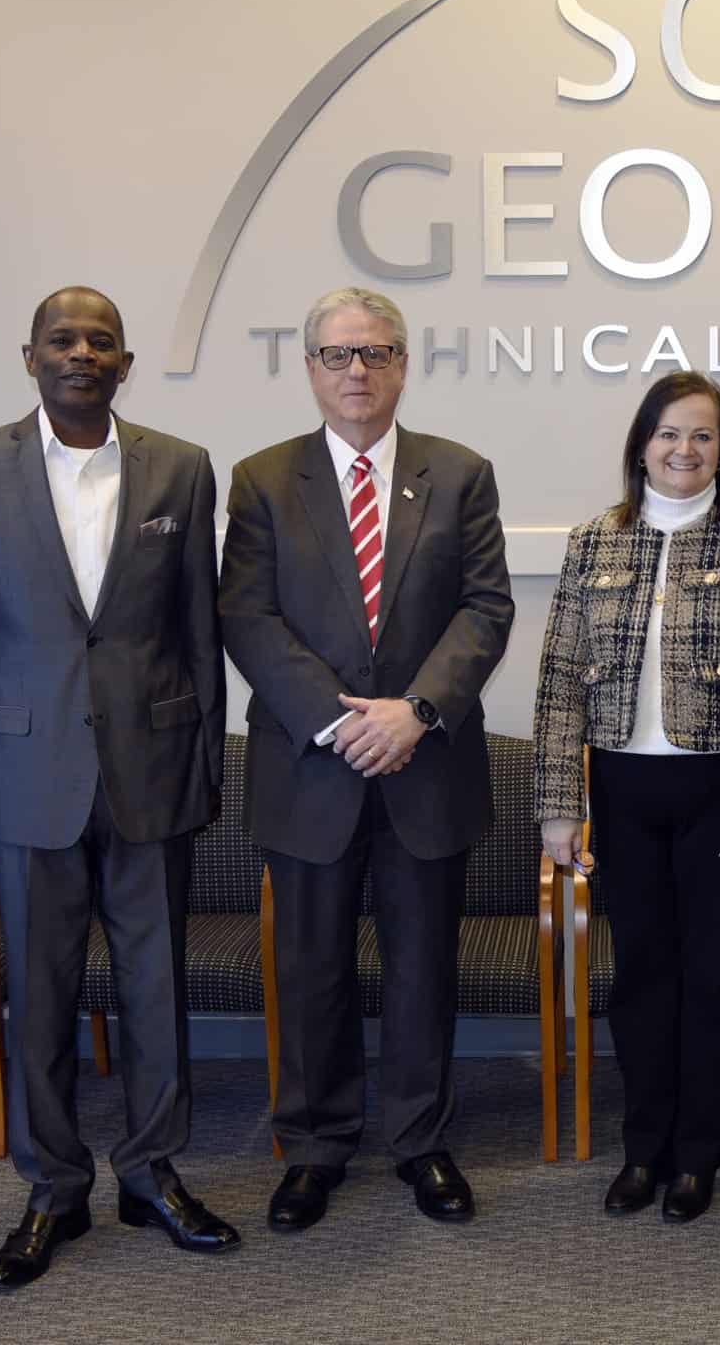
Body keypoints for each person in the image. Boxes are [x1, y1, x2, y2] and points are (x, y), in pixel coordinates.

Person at [0, 287, 238, 1289]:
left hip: (151, 772)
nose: (82, 351)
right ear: (31, 355)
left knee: (156, 990)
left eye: (101, 339)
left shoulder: (180, 467)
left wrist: (206, 760)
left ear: (126, 362)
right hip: (25, 776)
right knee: (42, 993)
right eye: (64, 337)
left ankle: (150, 1172)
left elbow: (197, 626)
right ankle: (54, 1186)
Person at [219, 287, 513, 1233]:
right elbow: (246, 616)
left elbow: (485, 610)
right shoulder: (263, 479)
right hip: (311, 767)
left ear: (402, 365)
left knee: (424, 967)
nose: (358, 371)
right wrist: (340, 722)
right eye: (338, 355)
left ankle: (421, 1141)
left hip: (424, 767)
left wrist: (416, 713)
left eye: (377, 353)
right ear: (308, 368)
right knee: (311, 970)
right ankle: (314, 1148)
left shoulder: (461, 473)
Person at [534, 371, 720, 1223]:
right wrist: (557, 804)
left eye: (701, 436)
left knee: (711, 979)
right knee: (640, 980)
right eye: (667, 434)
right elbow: (555, 686)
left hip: (718, 795)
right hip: (622, 789)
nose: (683, 450)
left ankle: (699, 1157)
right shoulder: (593, 540)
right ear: (640, 445)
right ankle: (643, 1150)